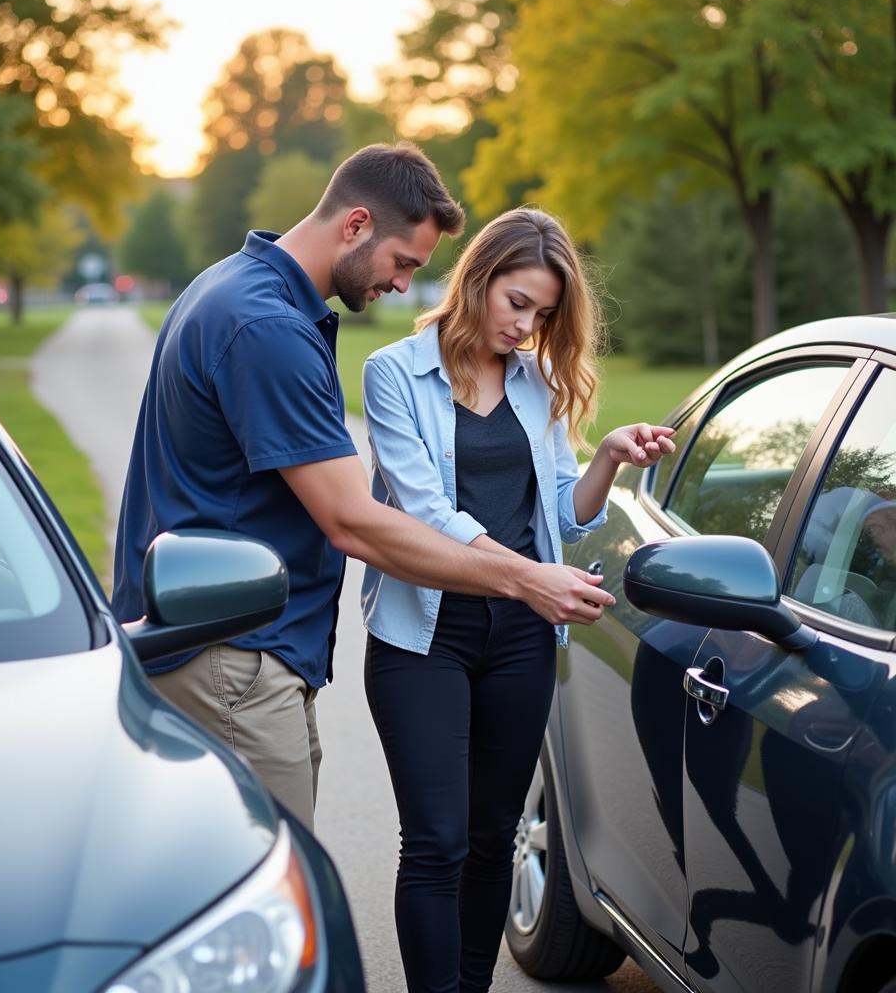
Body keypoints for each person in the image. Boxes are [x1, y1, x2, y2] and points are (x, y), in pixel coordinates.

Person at [112, 144, 619, 833]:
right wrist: (526, 580)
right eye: (403, 262)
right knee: (276, 902)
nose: (405, 285)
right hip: (231, 662)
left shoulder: (227, 287)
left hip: (229, 652)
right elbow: (354, 521)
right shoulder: (269, 328)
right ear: (355, 225)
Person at [360, 207, 675, 993]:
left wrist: (604, 456)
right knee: (437, 841)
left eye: (541, 313)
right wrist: (533, 576)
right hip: (422, 635)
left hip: (520, 641)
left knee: (495, 834)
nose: (526, 325)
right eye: (517, 303)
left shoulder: (535, 382)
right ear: (478, 279)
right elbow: (425, 513)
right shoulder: (393, 374)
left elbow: (564, 511)